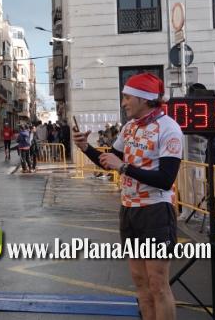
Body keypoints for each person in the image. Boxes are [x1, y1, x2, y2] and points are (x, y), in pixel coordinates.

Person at [73, 73, 183, 320]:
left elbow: (166, 179)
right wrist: (86, 148)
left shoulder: (169, 128)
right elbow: (108, 161)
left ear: (143, 99)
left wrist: (123, 167)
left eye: (127, 97)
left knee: (158, 285)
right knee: (140, 283)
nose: (123, 103)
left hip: (155, 210)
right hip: (129, 209)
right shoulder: (129, 127)